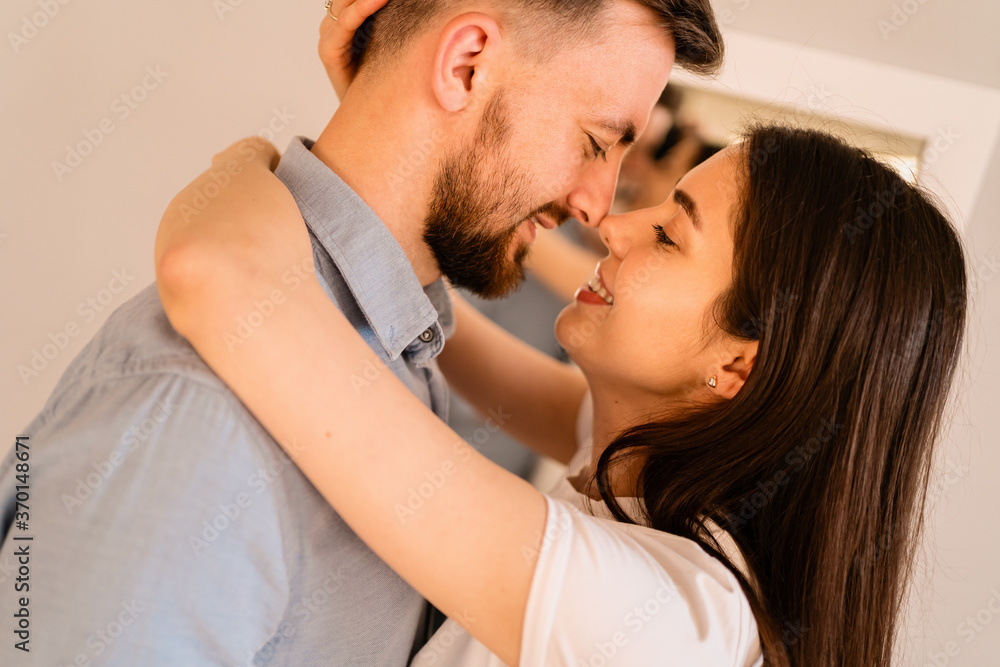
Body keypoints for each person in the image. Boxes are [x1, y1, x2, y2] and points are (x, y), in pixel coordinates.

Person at [153, 44, 968, 667]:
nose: (611, 224)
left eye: (669, 234)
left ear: (737, 368)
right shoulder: (638, 460)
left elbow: (217, 275)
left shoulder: (664, 622)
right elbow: (443, 331)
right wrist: (399, 136)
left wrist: (249, 161)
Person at [0, 0, 724, 664]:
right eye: (599, 142)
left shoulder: (397, 352)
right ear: (465, 64)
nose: (602, 208)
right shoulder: (195, 415)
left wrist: (309, 150)